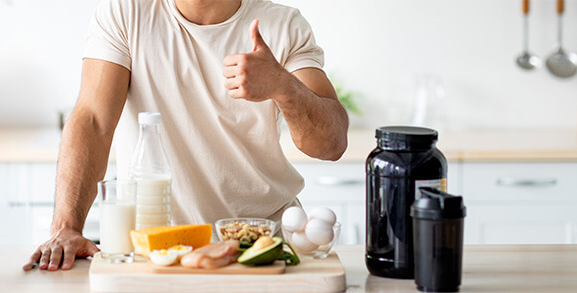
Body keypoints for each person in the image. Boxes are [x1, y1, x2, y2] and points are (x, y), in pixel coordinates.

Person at [22, 0, 348, 271]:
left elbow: (331, 144)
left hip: (260, 249)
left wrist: (283, 86)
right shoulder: (127, 12)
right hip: (155, 252)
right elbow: (93, 120)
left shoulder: (283, 24)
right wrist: (67, 227)